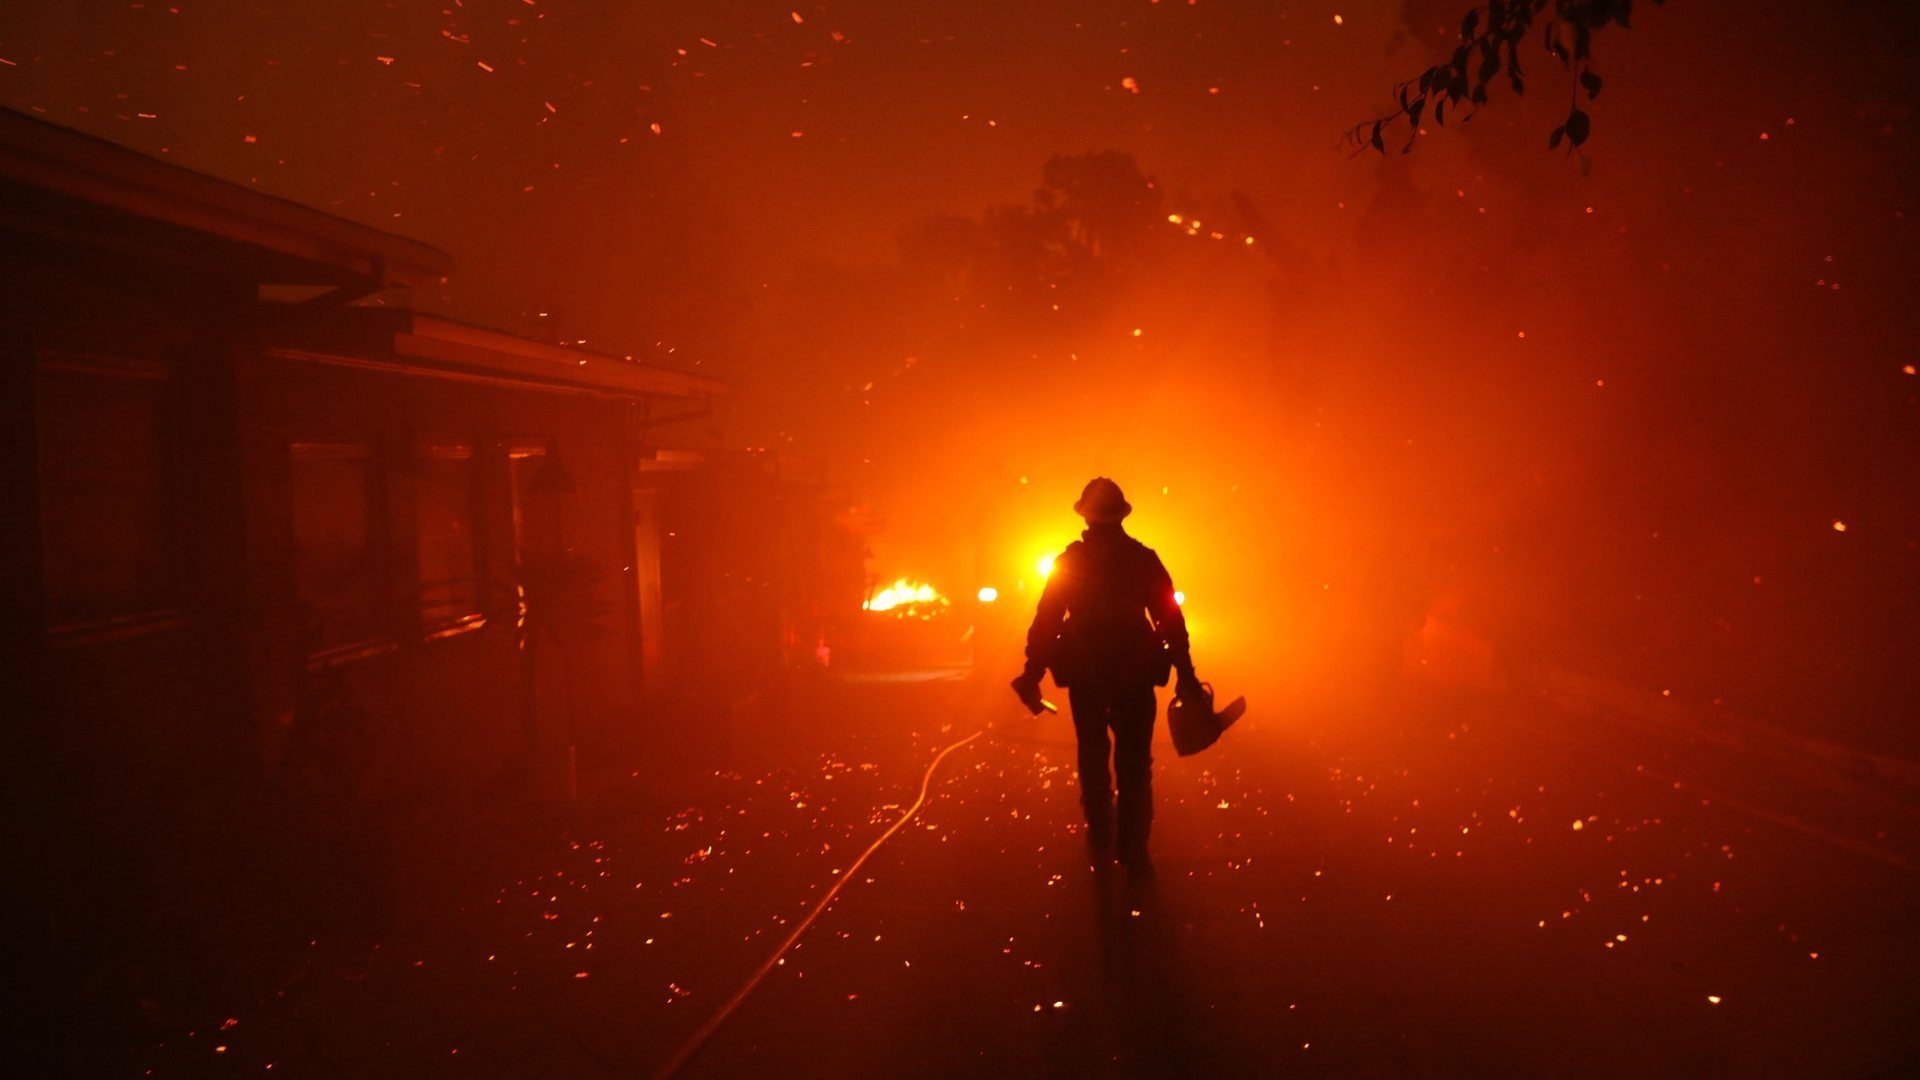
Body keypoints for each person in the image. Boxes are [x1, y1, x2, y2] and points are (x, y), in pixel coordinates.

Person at [1011, 477, 1202, 877]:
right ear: (1121, 517)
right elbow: (1170, 621)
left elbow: (1046, 621)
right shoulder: (1143, 559)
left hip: (1087, 671)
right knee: (1134, 761)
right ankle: (1133, 848)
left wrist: (1032, 673)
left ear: (1085, 517)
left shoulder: (1071, 562)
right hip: (1135, 671)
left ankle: (1100, 832)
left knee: (1093, 753)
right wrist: (1186, 676)